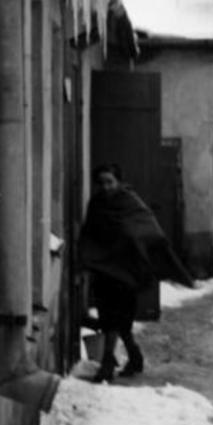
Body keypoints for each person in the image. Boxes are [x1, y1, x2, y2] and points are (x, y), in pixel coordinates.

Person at [79, 163, 193, 383]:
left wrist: (138, 247)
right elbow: (89, 232)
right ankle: (132, 355)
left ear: (119, 182)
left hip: (127, 270)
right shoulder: (96, 204)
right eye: (101, 183)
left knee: (118, 318)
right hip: (104, 269)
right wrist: (86, 257)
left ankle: (108, 361)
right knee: (111, 318)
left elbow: (149, 230)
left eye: (110, 182)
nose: (105, 187)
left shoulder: (130, 203)